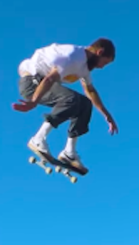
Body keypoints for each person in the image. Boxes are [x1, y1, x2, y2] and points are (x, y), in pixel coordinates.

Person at [13, 39, 118, 172]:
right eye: (104, 62)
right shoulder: (72, 56)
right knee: (71, 99)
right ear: (99, 52)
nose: (101, 67)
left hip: (43, 84)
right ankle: (38, 138)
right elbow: (49, 79)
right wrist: (34, 101)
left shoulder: (84, 67)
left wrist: (106, 115)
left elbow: (90, 91)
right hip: (33, 83)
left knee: (85, 103)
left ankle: (69, 152)